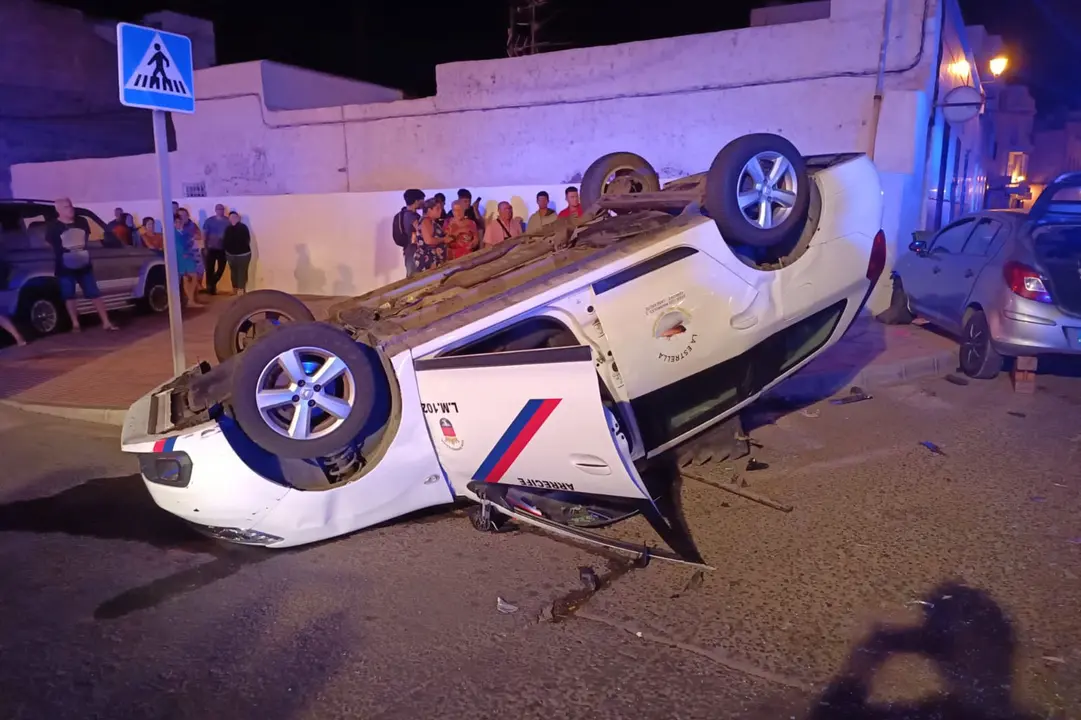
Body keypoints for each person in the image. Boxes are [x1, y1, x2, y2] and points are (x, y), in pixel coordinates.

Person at [45, 198, 118, 332]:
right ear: (59, 210)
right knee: (69, 295)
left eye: (71, 206)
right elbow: (49, 243)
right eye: (67, 207)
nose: (71, 209)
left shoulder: (81, 221)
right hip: (64, 265)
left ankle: (106, 322)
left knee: (94, 293)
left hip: (84, 263)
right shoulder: (53, 227)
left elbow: (85, 238)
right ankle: (75, 324)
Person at [173, 214, 205, 308]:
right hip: (182, 258)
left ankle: (191, 299)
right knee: (189, 278)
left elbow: (195, 238)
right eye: (176, 222)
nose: (178, 224)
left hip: (189, 256)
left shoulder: (184, 232)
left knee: (191, 278)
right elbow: (178, 246)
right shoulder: (174, 233)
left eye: (179, 221)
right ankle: (190, 300)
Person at [393, 188, 425, 277]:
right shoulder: (411, 216)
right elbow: (420, 229)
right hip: (413, 249)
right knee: (414, 276)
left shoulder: (405, 214)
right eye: (422, 199)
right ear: (416, 201)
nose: (424, 202)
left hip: (409, 249)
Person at [201, 203, 230, 294]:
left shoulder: (227, 221)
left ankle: (211, 284)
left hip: (223, 248)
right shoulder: (209, 221)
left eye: (221, 209)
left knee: (221, 268)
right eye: (218, 209)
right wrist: (205, 247)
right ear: (215, 210)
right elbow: (205, 234)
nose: (220, 211)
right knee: (209, 269)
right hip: (211, 248)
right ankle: (211, 289)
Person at [413, 198, 447, 272]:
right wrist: (444, 239)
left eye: (441, 208)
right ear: (429, 210)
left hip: (433, 257)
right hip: (429, 258)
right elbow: (429, 240)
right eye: (437, 209)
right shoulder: (426, 221)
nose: (440, 210)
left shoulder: (430, 221)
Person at [223, 211, 253, 294]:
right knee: (233, 273)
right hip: (231, 254)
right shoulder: (228, 228)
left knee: (242, 272)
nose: (232, 219)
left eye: (234, 217)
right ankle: (234, 288)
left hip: (243, 254)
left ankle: (241, 289)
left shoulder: (243, 227)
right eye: (231, 217)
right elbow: (225, 241)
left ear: (238, 218)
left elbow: (246, 240)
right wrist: (227, 251)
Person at [177, 207, 205, 289]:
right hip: (183, 253)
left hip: (193, 251)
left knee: (200, 269)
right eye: (180, 215)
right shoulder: (176, 226)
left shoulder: (192, 224)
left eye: (184, 215)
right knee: (188, 273)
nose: (183, 217)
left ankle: (197, 287)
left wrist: (191, 237)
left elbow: (199, 236)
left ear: (188, 215)